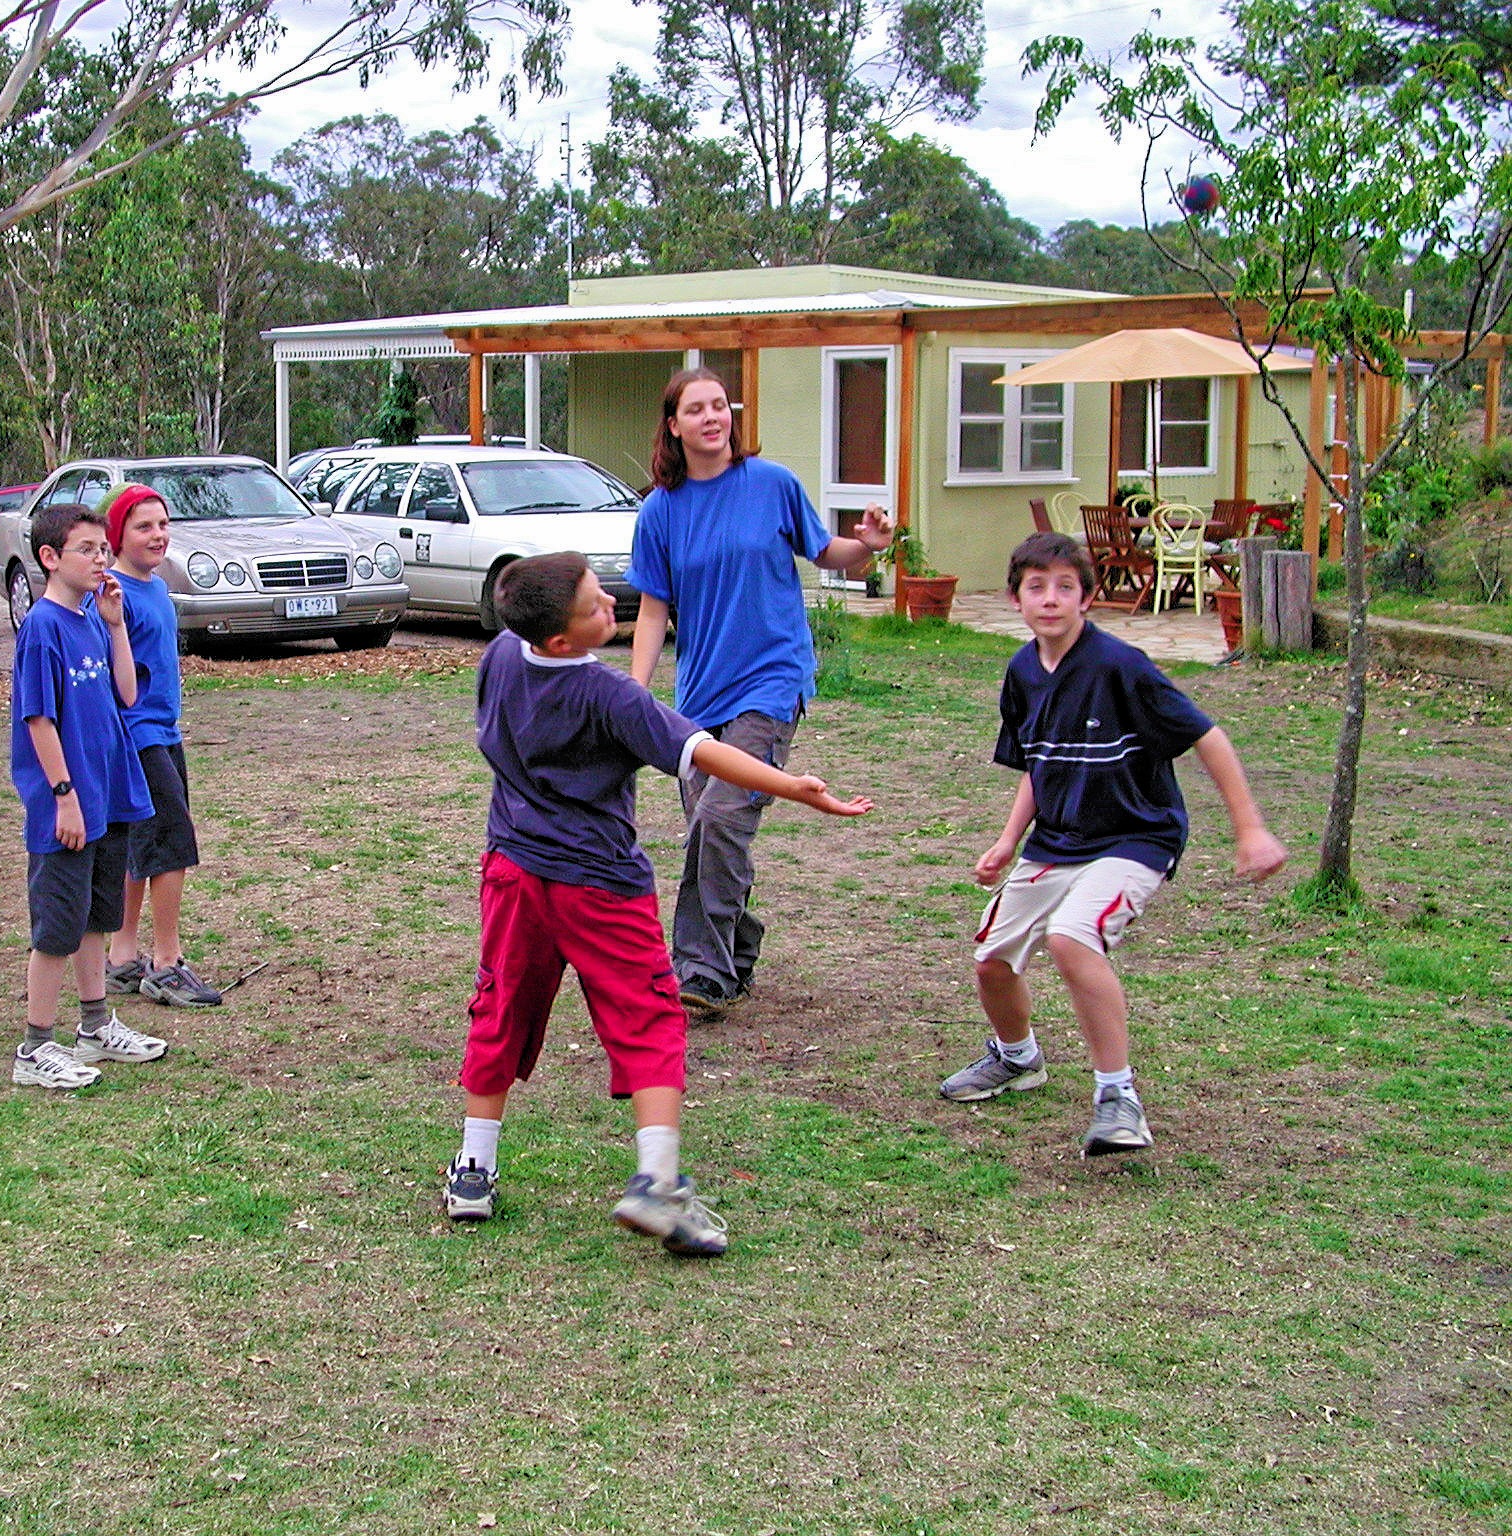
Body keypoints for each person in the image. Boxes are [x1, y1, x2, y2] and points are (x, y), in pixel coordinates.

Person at [445, 551, 874, 1254]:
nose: (609, 606)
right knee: (649, 1019)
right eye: (593, 607)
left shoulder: (499, 656)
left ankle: (474, 1170)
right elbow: (701, 752)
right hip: (598, 885)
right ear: (560, 639)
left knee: (499, 1006)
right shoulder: (612, 698)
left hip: (513, 871)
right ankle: (658, 1185)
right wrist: (794, 785)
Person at [941, 532, 1288, 1153]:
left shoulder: (1120, 667)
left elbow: (1208, 737)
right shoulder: (1021, 672)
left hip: (1135, 835)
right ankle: (1018, 1059)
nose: (1050, 599)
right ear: (1016, 598)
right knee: (992, 961)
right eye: (1036, 587)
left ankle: (1118, 1097)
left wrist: (1250, 828)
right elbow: (1038, 764)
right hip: (1055, 841)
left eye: (1065, 587)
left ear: (1087, 598)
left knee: (1072, 938)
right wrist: (1007, 839)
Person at [627, 366, 894, 1015]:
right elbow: (654, 611)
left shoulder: (772, 485)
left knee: (720, 819)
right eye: (697, 409)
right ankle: (738, 948)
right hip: (699, 693)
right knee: (711, 835)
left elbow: (824, 550)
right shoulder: (661, 511)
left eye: (721, 405)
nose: (713, 417)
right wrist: (635, 700)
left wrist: (868, 546)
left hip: (771, 683)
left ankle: (702, 971)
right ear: (674, 425)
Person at [8, 502, 170, 1090]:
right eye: (87, 550)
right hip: (68, 804)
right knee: (57, 924)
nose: (101, 559)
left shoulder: (92, 620)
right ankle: (34, 1048)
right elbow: (38, 721)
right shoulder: (44, 628)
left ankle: (96, 1026)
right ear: (50, 558)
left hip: (110, 794)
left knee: (95, 918)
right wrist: (64, 798)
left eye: (104, 549)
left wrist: (117, 624)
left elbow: (128, 694)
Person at [99, 485, 223, 1009]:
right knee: (172, 844)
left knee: (141, 848)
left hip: (164, 732)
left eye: (163, 524)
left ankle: (123, 958)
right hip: (138, 736)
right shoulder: (112, 595)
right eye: (144, 527)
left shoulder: (153, 587)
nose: (157, 535)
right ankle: (165, 963)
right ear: (118, 536)